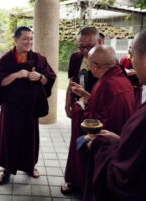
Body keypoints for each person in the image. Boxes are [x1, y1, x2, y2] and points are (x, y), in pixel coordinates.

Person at [83, 24, 146, 201]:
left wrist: (99, 146)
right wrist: (122, 141)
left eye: (132, 55)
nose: (131, 61)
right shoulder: (120, 79)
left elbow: (126, 178)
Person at [61, 45, 135, 195]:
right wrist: (87, 95)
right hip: (121, 132)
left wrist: (78, 108)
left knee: (79, 143)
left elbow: (94, 121)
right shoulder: (120, 77)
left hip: (105, 137)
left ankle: (78, 181)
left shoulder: (106, 84)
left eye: (89, 64)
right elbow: (103, 105)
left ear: (94, 66)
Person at [0, 26, 56, 185]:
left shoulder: (39, 59)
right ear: (16, 39)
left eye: (31, 38)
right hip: (11, 108)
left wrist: (40, 76)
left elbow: (50, 78)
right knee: (9, 139)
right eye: (25, 38)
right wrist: (16, 75)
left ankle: (29, 165)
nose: (29, 42)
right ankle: (6, 169)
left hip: (30, 107)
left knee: (29, 139)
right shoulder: (6, 60)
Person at [62, 26, 100, 193]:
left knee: (90, 146)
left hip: (96, 114)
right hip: (79, 110)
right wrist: (66, 104)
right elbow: (71, 81)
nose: (85, 50)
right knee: (76, 144)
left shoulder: (106, 60)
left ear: (99, 42)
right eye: (81, 46)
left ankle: (89, 184)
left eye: (89, 46)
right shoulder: (76, 58)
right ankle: (73, 179)